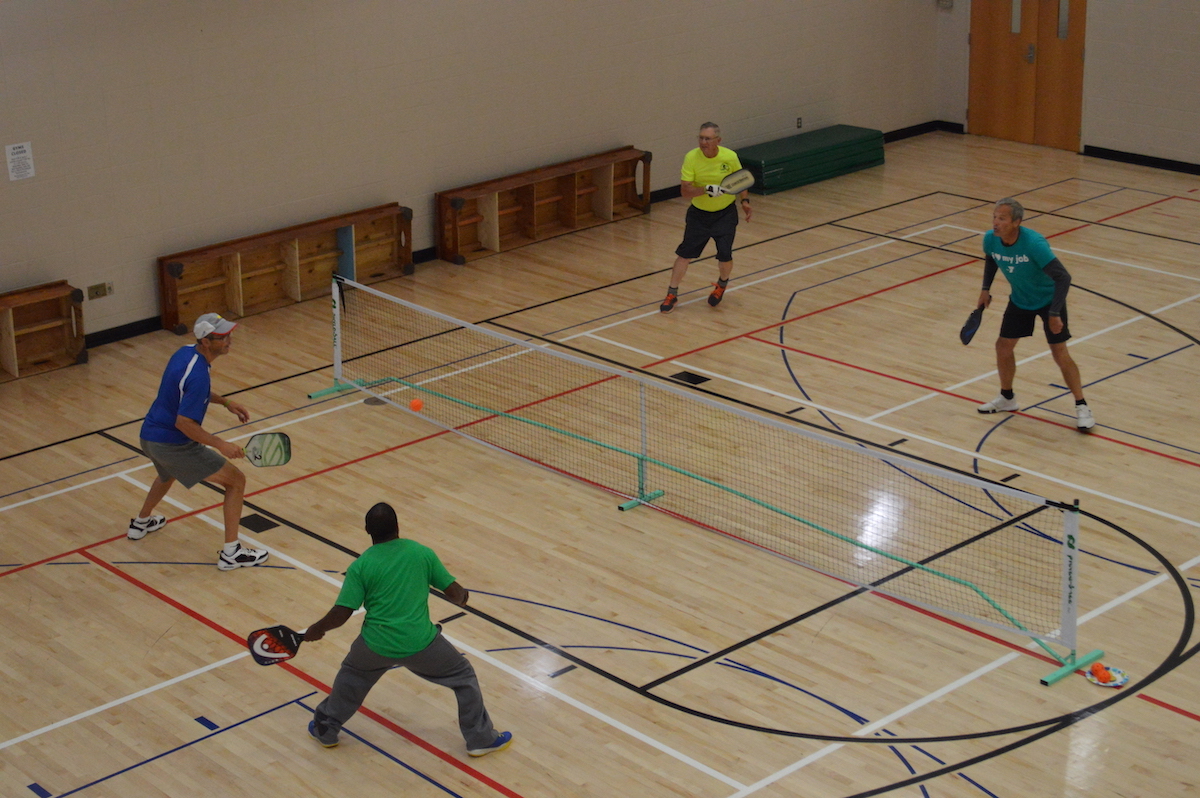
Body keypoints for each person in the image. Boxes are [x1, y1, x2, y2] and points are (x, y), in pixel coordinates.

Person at [303, 502, 511, 757]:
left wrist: (317, 629)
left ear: (367, 530)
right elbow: (455, 594)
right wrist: (462, 596)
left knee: (352, 677)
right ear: (398, 526)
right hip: (421, 644)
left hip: (374, 645)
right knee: (463, 676)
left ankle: (326, 731)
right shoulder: (420, 553)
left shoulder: (361, 566)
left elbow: (341, 613)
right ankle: (480, 739)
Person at [129, 312, 270, 569]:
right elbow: (183, 423)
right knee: (236, 481)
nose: (228, 340)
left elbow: (188, 392)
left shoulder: (185, 353)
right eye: (221, 337)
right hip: (172, 444)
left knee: (166, 475)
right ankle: (231, 554)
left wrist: (226, 402)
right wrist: (221, 445)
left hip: (149, 436)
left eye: (228, 334)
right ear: (206, 341)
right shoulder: (198, 374)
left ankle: (141, 522)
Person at [975, 198, 1095, 431]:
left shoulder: (1034, 244)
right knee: (1003, 347)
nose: (996, 223)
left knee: (1059, 353)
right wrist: (985, 288)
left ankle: (1082, 405)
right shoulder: (991, 239)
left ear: (1017, 222)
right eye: (994, 217)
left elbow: (1063, 277)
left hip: (1049, 301)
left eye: (1002, 218)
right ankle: (1007, 398)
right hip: (1020, 299)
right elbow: (992, 258)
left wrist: (1054, 312)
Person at [660, 122, 753, 313]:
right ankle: (672, 293)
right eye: (701, 138)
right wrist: (706, 189)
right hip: (699, 216)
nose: (703, 142)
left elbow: (741, 180)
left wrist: (745, 202)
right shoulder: (691, 158)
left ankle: (721, 285)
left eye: (708, 138)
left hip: (725, 214)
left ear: (718, 140)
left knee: (725, 254)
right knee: (684, 255)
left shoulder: (729, 156)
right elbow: (685, 191)